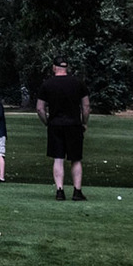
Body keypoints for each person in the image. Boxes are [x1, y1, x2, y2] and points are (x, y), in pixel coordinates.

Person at [36, 56, 90, 201]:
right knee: (76, 159)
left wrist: (47, 122)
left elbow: (40, 109)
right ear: (67, 67)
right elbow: (86, 107)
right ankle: (77, 191)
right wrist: (84, 123)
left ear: (54, 67)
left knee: (58, 158)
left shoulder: (47, 84)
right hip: (74, 125)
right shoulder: (78, 83)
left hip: (55, 125)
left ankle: (60, 190)